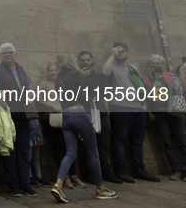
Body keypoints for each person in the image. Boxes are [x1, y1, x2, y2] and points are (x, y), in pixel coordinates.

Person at [50, 52, 118, 203]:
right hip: (79, 114)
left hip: (66, 117)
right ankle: (100, 189)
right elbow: (83, 94)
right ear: (71, 61)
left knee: (70, 153)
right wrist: (90, 102)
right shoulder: (75, 73)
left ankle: (58, 184)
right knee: (93, 152)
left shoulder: (59, 78)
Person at [102, 42, 160, 182]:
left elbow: (140, 85)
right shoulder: (111, 66)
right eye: (118, 51)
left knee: (138, 141)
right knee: (119, 140)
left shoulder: (132, 67)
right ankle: (121, 170)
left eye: (123, 51)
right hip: (120, 107)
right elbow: (104, 72)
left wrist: (144, 105)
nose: (121, 53)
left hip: (138, 108)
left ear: (127, 53)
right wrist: (112, 54)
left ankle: (139, 169)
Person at [0, 43, 36, 197]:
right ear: (1, 56)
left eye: (10, 53)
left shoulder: (21, 69)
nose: (7, 55)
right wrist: (0, 99)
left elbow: (29, 88)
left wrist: (30, 98)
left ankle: (26, 184)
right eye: (4, 54)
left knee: (24, 150)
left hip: (23, 115)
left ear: (15, 54)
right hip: (7, 116)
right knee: (9, 150)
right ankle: (13, 185)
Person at [78, 51, 121, 184]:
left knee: (103, 144)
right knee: (88, 145)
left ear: (92, 60)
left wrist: (106, 111)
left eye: (87, 60)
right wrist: (81, 77)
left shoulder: (97, 76)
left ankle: (106, 172)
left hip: (101, 112)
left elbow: (103, 93)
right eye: (82, 60)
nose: (85, 62)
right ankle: (89, 173)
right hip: (87, 113)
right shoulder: (76, 76)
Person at [144, 54, 186, 181]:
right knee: (168, 142)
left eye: (157, 63)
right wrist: (149, 110)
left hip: (174, 111)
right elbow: (146, 96)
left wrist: (164, 80)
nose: (155, 65)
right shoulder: (148, 79)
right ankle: (177, 170)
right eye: (153, 63)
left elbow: (179, 90)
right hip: (159, 113)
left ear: (163, 65)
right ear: (150, 66)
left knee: (182, 141)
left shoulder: (172, 76)